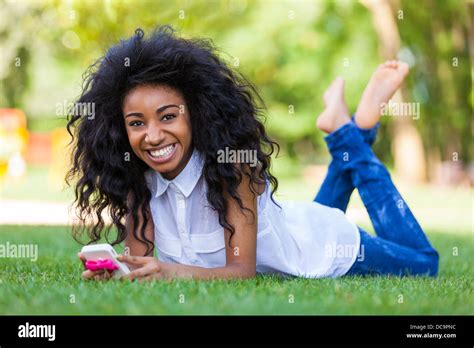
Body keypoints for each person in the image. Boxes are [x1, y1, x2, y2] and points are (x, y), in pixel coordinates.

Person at [68, 26, 438, 281]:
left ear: (197, 112)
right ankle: (353, 127)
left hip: (324, 247)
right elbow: (140, 265)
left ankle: (348, 134)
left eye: (168, 117)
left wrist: (168, 272)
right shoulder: (138, 186)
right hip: (291, 226)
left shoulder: (234, 171)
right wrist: (115, 270)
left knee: (425, 264)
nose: (152, 135)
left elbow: (239, 272)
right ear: (119, 128)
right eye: (136, 123)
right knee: (300, 224)